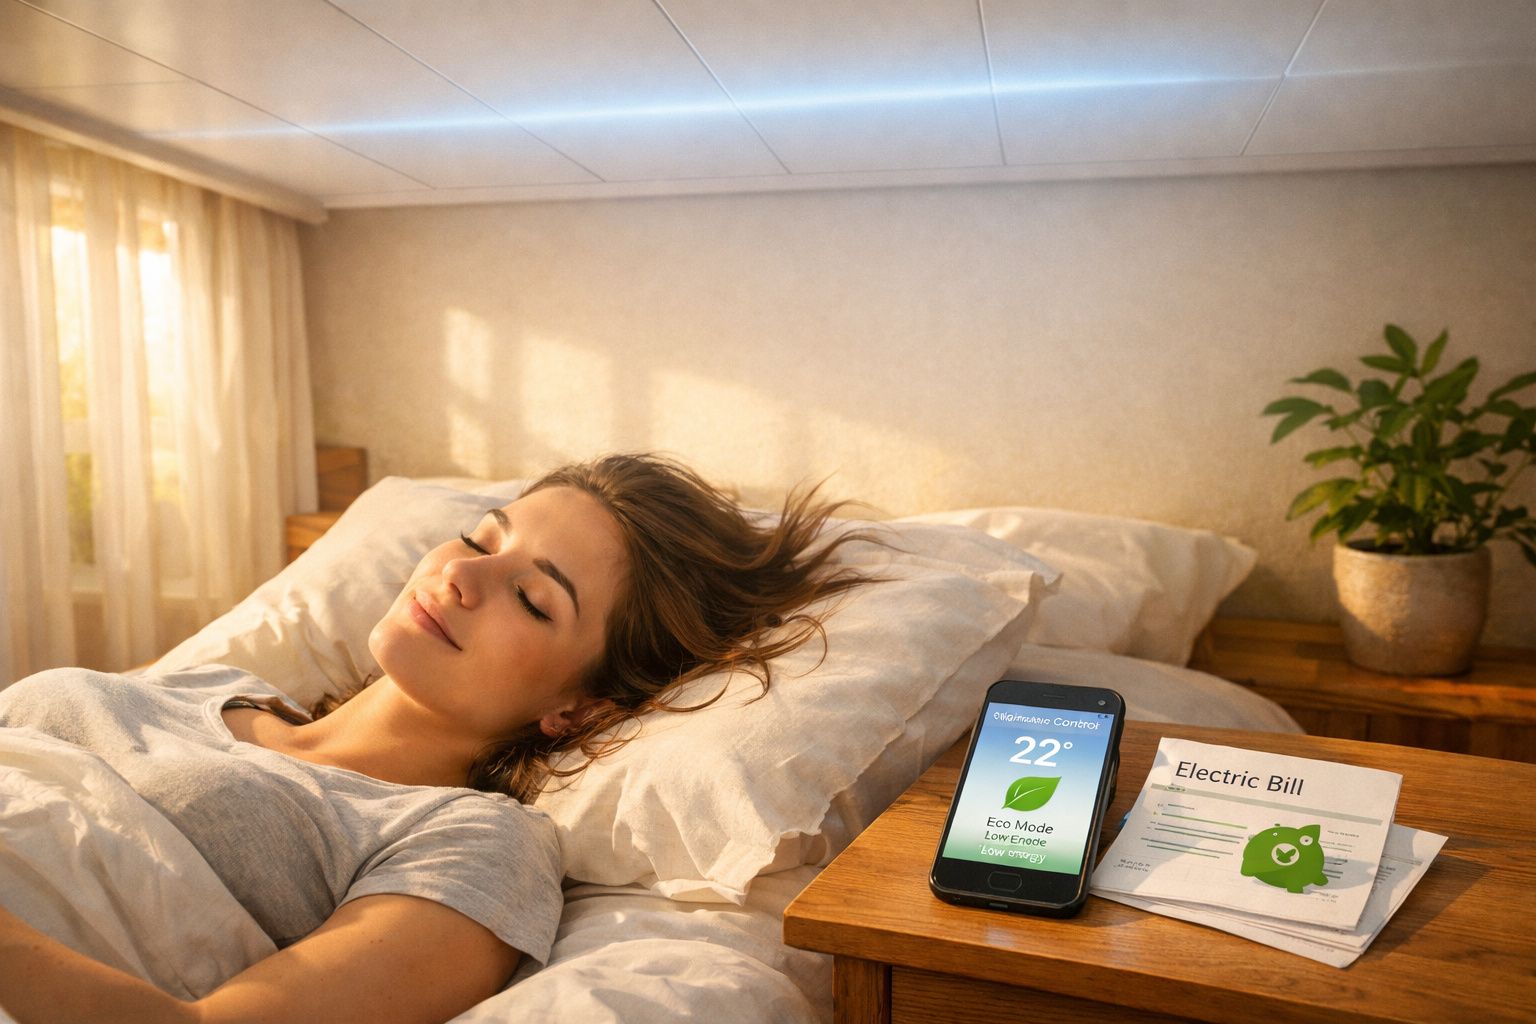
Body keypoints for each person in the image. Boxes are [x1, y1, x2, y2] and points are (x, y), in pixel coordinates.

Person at [0, 452, 879, 1024]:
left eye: (536, 599)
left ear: (582, 709)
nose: (461, 575)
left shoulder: (475, 842)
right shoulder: (202, 686)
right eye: (478, 540)